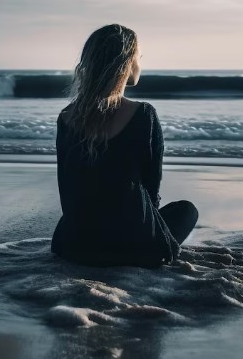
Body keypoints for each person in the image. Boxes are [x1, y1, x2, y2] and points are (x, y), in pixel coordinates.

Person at [51, 24, 198, 268]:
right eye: (139, 56)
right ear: (127, 63)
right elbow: (151, 187)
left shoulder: (66, 116)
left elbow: (66, 189)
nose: (140, 62)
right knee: (186, 211)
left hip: (74, 245)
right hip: (132, 248)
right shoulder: (143, 114)